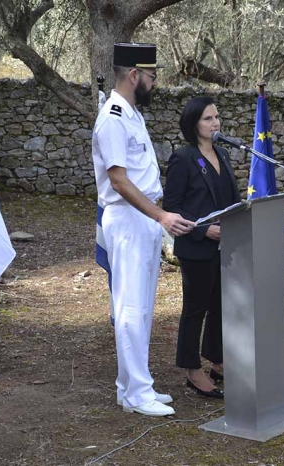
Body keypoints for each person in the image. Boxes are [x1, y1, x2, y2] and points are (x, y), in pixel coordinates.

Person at [92, 42, 195, 416]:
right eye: (151, 77)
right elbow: (118, 181)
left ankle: (132, 385)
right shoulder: (114, 117)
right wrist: (161, 216)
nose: (155, 84)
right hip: (130, 218)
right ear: (134, 75)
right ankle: (137, 393)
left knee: (142, 308)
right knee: (131, 308)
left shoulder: (132, 114)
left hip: (144, 217)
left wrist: (156, 216)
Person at [164, 96, 240, 399]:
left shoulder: (222, 154)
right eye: (208, 118)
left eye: (217, 117)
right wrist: (204, 229)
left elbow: (230, 199)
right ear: (193, 123)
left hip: (227, 246)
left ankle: (217, 361)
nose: (216, 123)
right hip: (196, 246)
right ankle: (191, 370)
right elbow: (172, 207)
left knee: (221, 306)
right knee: (195, 309)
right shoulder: (183, 158)